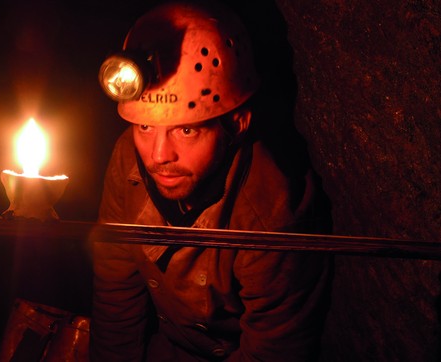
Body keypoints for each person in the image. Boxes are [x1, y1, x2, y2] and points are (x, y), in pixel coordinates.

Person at [90, 1, 332, 360]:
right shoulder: (128, 157)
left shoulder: (272, 213)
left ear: (236, 123)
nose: (158, 156)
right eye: (144, 126)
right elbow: (116, 293)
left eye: (186, 130)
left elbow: (271, 351)